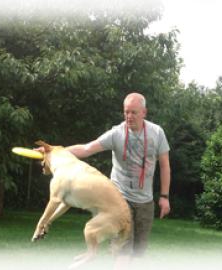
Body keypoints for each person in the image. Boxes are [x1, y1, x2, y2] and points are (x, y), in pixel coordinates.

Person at [65, 93, 171, 270]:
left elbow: (165, 165)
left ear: (144, 112)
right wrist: (54, 151)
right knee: (123, 248)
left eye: (134, 112)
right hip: (119, 198)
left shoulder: (157, 133)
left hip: (145, 201)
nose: (129, 116)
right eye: (126, 112)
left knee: (137, 249)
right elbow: (86, 149)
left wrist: (164, 196)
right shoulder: (116, 134)